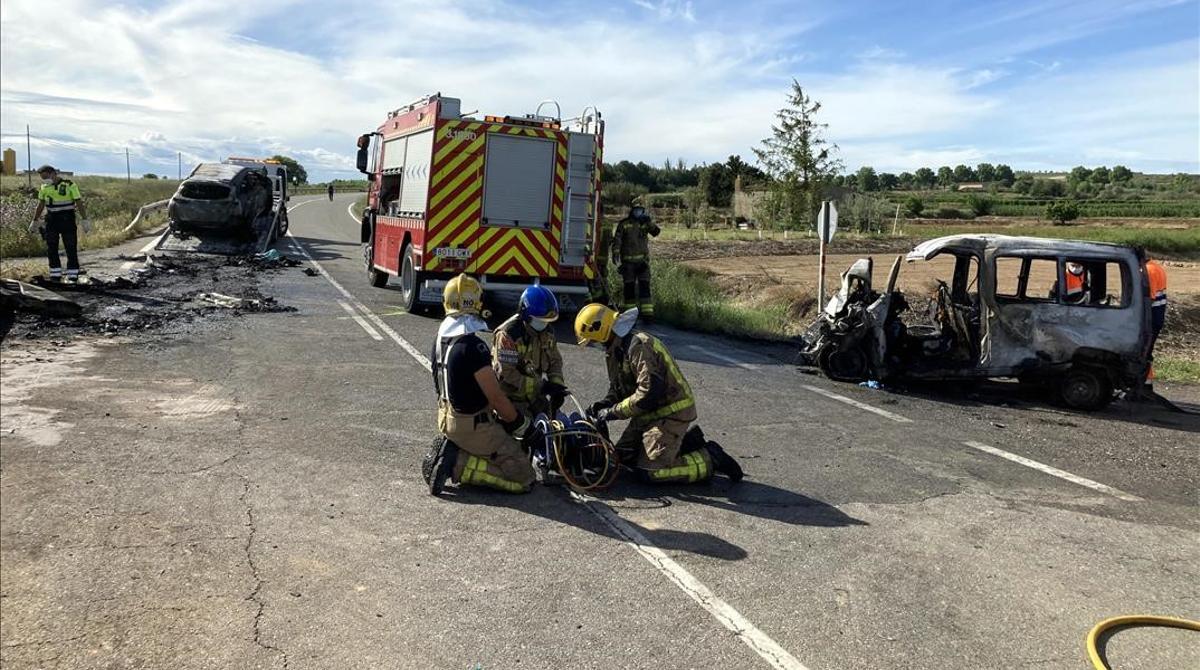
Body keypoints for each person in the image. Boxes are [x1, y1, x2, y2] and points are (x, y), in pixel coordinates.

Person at [574, 303, 743, 484]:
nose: (596, 345)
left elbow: (649, 393)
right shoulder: (616, 350)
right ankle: (688, 443)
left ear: (602, 330)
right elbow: (620, 388)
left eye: (594, 340)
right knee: (623, 457)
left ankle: (710, 458)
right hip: (649, 415)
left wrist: (613, 412)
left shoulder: (638, 346)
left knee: (650, 472)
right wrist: (605, 403)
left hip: (671, 412)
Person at [424, 274, 536, 495]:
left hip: (449, 418)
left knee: (506, 447)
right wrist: (522, 425)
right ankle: (458, 462)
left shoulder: (441, 340)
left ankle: (459, 450)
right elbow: (496, 398)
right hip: (474, 427)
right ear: (475, 303)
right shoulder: (472, 347)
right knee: (524, 476)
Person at [492, 283, 568, 418]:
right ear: (525, 315)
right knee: (528, 433)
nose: (544, 324)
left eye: (547, 321)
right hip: (509, 398)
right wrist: (541, 387)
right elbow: (507, 373)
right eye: (540, 321)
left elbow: (555, 361)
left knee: (557, 424)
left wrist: (557, 384)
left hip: (533, 396)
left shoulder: (547, 333)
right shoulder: (509, 334)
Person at [28, 165, 90, 282]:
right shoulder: (44, 187)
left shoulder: (69, 185)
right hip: (51, 220)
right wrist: (34, 220)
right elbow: (40, 205)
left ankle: (72, 275)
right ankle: (55, 275)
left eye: (46, 176)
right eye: (42, 178)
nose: (44, 179)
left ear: (53, 173)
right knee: (51, 248)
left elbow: (79, 202)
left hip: (67, 219)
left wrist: (85, 219)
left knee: (70, 247)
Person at [612, 205, 660, 318]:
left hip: (643, 263)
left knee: (645, 286)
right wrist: (615, 253)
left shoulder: (644, 223)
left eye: (641, 210)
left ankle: (647, 313)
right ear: (632, 210)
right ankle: (631, 314)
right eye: (636, 210)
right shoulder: (624, 224)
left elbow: (656, 232)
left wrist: (649, 222)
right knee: (629, 288)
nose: (638, 212)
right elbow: (617, 240)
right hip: (628, 264)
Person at [1146, 258, 1168, 382]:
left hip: (1151, 318)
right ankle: (1147, 382)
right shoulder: (1157, 267)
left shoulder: (1149, 270)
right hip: (1157, 317)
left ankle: (1144, 385)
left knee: (1144, 352)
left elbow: (1150, 298)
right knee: (1147, 351)